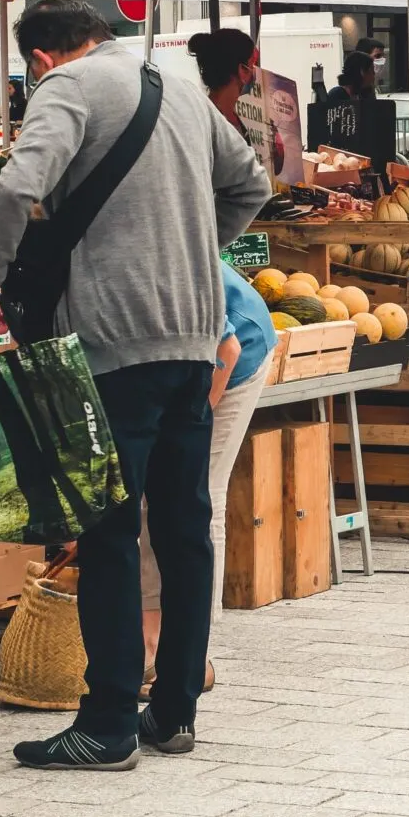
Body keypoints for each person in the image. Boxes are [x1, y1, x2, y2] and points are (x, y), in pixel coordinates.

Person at [0, 0, 270, 771]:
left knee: (105, 530)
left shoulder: (66, 88)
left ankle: (104, 724)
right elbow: (252, 186)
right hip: (196, 337)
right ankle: (172, 714)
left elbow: (11, 191)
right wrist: (192, 250)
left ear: (42, 56)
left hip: (114, 342)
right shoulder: (178, 86)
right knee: (181, 528)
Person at [138, 260, 273, 697]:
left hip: (233, 356)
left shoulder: (157, 268)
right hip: (175, 359)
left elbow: (226, 351)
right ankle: (149, 643)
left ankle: (194, 656)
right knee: (146, 503)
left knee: (197, 495)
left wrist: (192, 421)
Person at [186, 30, 258, 129]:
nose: (255, 72)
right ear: (242, 70)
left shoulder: (201, 117)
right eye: (252, 65)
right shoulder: (218, 123)